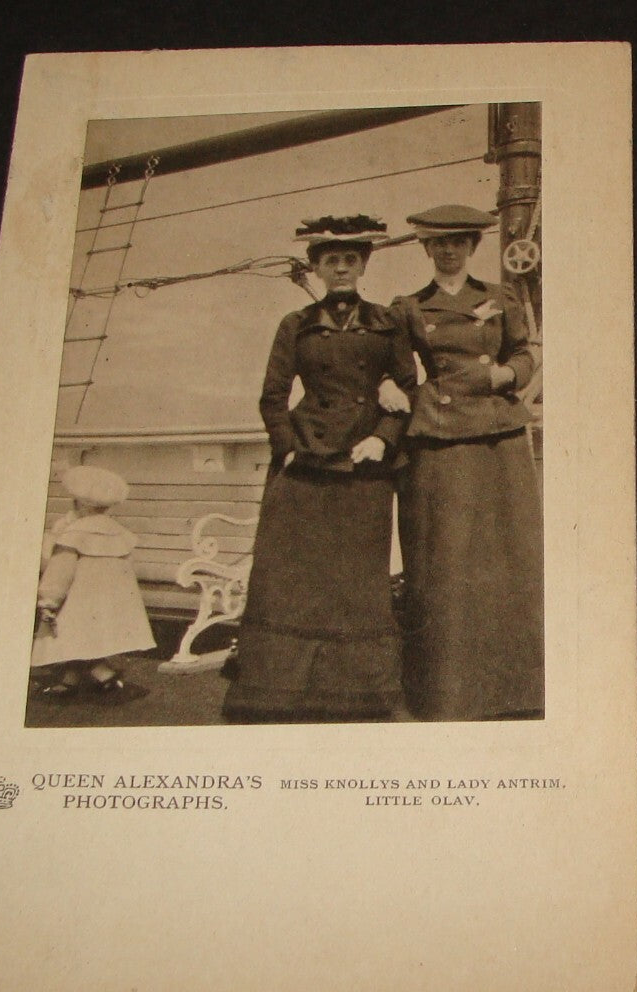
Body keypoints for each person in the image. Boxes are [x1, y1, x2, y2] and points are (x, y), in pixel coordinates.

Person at [222, 215, 420, 723]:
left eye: (350, 260)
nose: (341, 269)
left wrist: (383, 437)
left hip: (364, 465)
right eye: (330, 260)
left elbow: (408, 389)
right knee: (293, 575)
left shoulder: (386, 322)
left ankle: (357, 694)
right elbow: (272, 395)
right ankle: (277, 691)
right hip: (306, 462)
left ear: (364, 265)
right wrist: (287, 447)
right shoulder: (295, 324)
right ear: (316, 266)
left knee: (355, 579)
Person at [389, 204, 545, 721]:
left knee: (509, 558)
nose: (449, 250)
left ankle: (516, 693)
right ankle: (448, 696)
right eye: (439, 243)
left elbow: (524, 354)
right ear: (427, 249)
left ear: (472, 247)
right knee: (447, 564)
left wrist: (505, 377)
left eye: (458, 242)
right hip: (441, 436)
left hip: (498, 434)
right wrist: (424, 400)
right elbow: (397, 372)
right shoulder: (409, 306)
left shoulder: (500, 298)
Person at [31, 465, 155, 697]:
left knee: (69, 637)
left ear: (79, 503)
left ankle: (104, 674)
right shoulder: (116, 532)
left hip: (78, 601)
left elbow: (60, 571)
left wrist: (48, 600)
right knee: (79, 640)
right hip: (108, 603)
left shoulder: (74, 535)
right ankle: (70, 680)